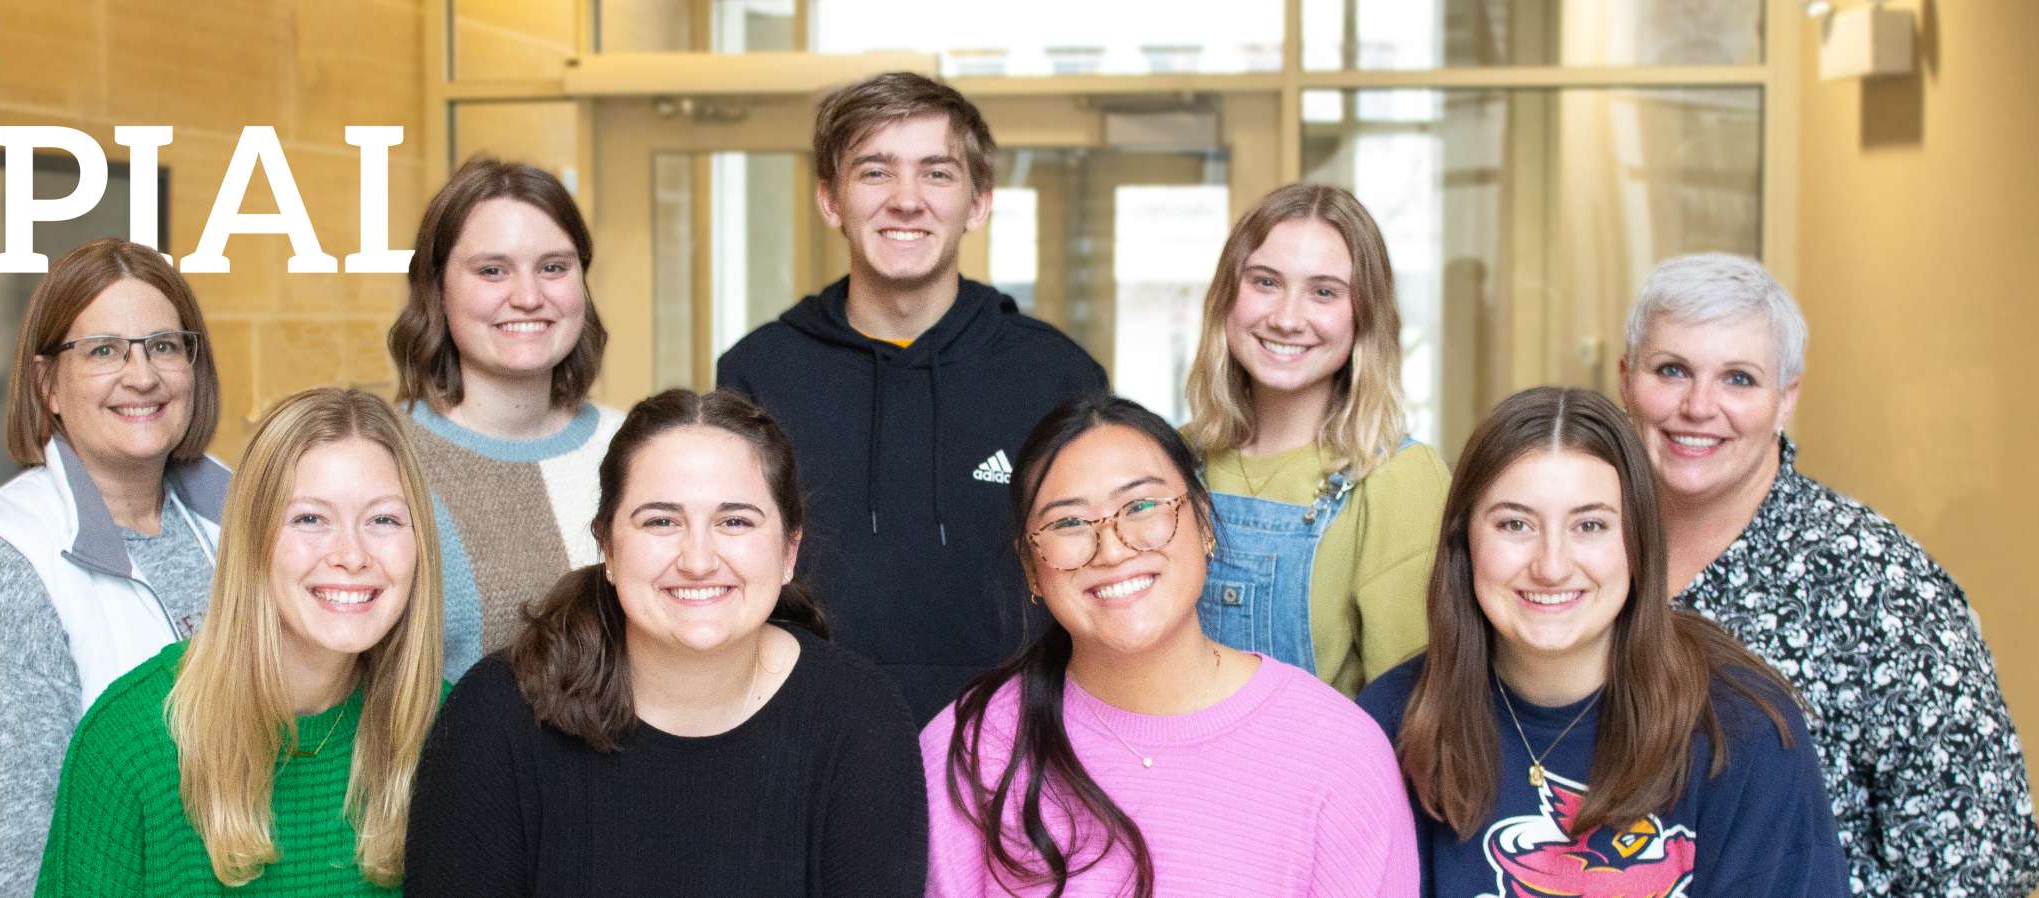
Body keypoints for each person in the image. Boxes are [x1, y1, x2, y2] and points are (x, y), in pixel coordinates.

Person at [1616, 253, 2039, 896]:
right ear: (1625, 379)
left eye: (1739, 379)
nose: (1699, 406)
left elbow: (1982, 864)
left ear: (1788, 397)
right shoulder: (1576, 549)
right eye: (1672, 370)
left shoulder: (1883, 588)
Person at [406, 389, 926, 896]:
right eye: (661, 520)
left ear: (789, 550)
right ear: (607, 545)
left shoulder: (862, 719)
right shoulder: (499, 713)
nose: (697, 559)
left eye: (735, 521)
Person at [716, 72, 1108, 719]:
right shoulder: (759, 372)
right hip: (809, 734)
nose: (906, 200)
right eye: (874, 172)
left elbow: (1094, 569)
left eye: (937, 173)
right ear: (830, 199)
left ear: (978, 202)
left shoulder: (1057, 375)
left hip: (1016, 742)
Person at [1357, 386, 1848, 897]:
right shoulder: (1391, 725)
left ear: (1637, 543)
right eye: (1515, 524)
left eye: (1589, 525)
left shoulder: (1742, 730)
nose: (1551, 566)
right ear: (1464, 542)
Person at [924, 396, 1416, 897]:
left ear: (1204, 521)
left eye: (1141, 506)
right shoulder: (967, 750)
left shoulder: (1339, 751)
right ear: (1032, 566)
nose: (1113, 547)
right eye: (1069, 523)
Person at [0, 237, 228, 898]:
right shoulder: (1, 569)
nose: (142, 376)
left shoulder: (233, 521)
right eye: (104, 350)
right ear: (47, 382)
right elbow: (16, 870)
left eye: (164, 345)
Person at [33, 387, 447, 896]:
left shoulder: (449, 730)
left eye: (383, 519)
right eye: (310, 519)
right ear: (253, 541)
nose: (352, 554)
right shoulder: (129, 745)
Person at [1182, 183, 1449, 694]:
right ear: (1225, 297)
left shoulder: (1396, 477)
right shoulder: (1169, 457)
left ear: (1364, 315)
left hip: (1324, 774)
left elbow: (1413, 716)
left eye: (1324, 292)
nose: (1286, 318)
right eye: (1265, 282)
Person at [387, 157, 622, 680]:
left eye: (554, 267)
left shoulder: (634, 444)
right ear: (436, 287)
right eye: (492, 270)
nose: (528, 296)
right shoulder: (384, 457)